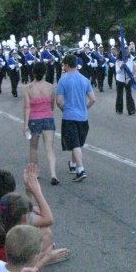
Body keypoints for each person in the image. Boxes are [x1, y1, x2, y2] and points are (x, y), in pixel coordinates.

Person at [56, 54, 96, 182]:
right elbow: (92, 99)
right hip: (83, 117)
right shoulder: (85, 79)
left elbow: (59, 101)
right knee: (76, 143)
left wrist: (64, 109)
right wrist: (85, 108)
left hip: (69, 116)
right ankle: (73, 164)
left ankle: (80, 169)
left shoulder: (63, 80)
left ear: (67, 65)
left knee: (74, 143)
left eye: (64, 64)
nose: (63, 66)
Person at [23, 62, 59, 185]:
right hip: (48, 117)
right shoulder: (50, 87)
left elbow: (27, 107)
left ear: (33, 72)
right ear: (45, 72)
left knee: (34, 147)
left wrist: (25, 124)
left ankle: (35, 172)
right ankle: (53, 173)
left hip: (34, 119)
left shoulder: (28, 88)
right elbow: (52, 105)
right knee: (49, 147)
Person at [115, 50, 136, 116]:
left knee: (129, 94)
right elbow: (117, 71)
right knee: (120, 94)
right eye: (125, 52)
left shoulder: (130, 60)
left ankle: (131, 110)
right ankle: (119, 109)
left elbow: (131, 71)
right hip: (120, 79)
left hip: (127, 79)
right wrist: (121, 66)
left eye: (128, 52)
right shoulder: (118, 61)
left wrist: (129, 78)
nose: (127, 53)